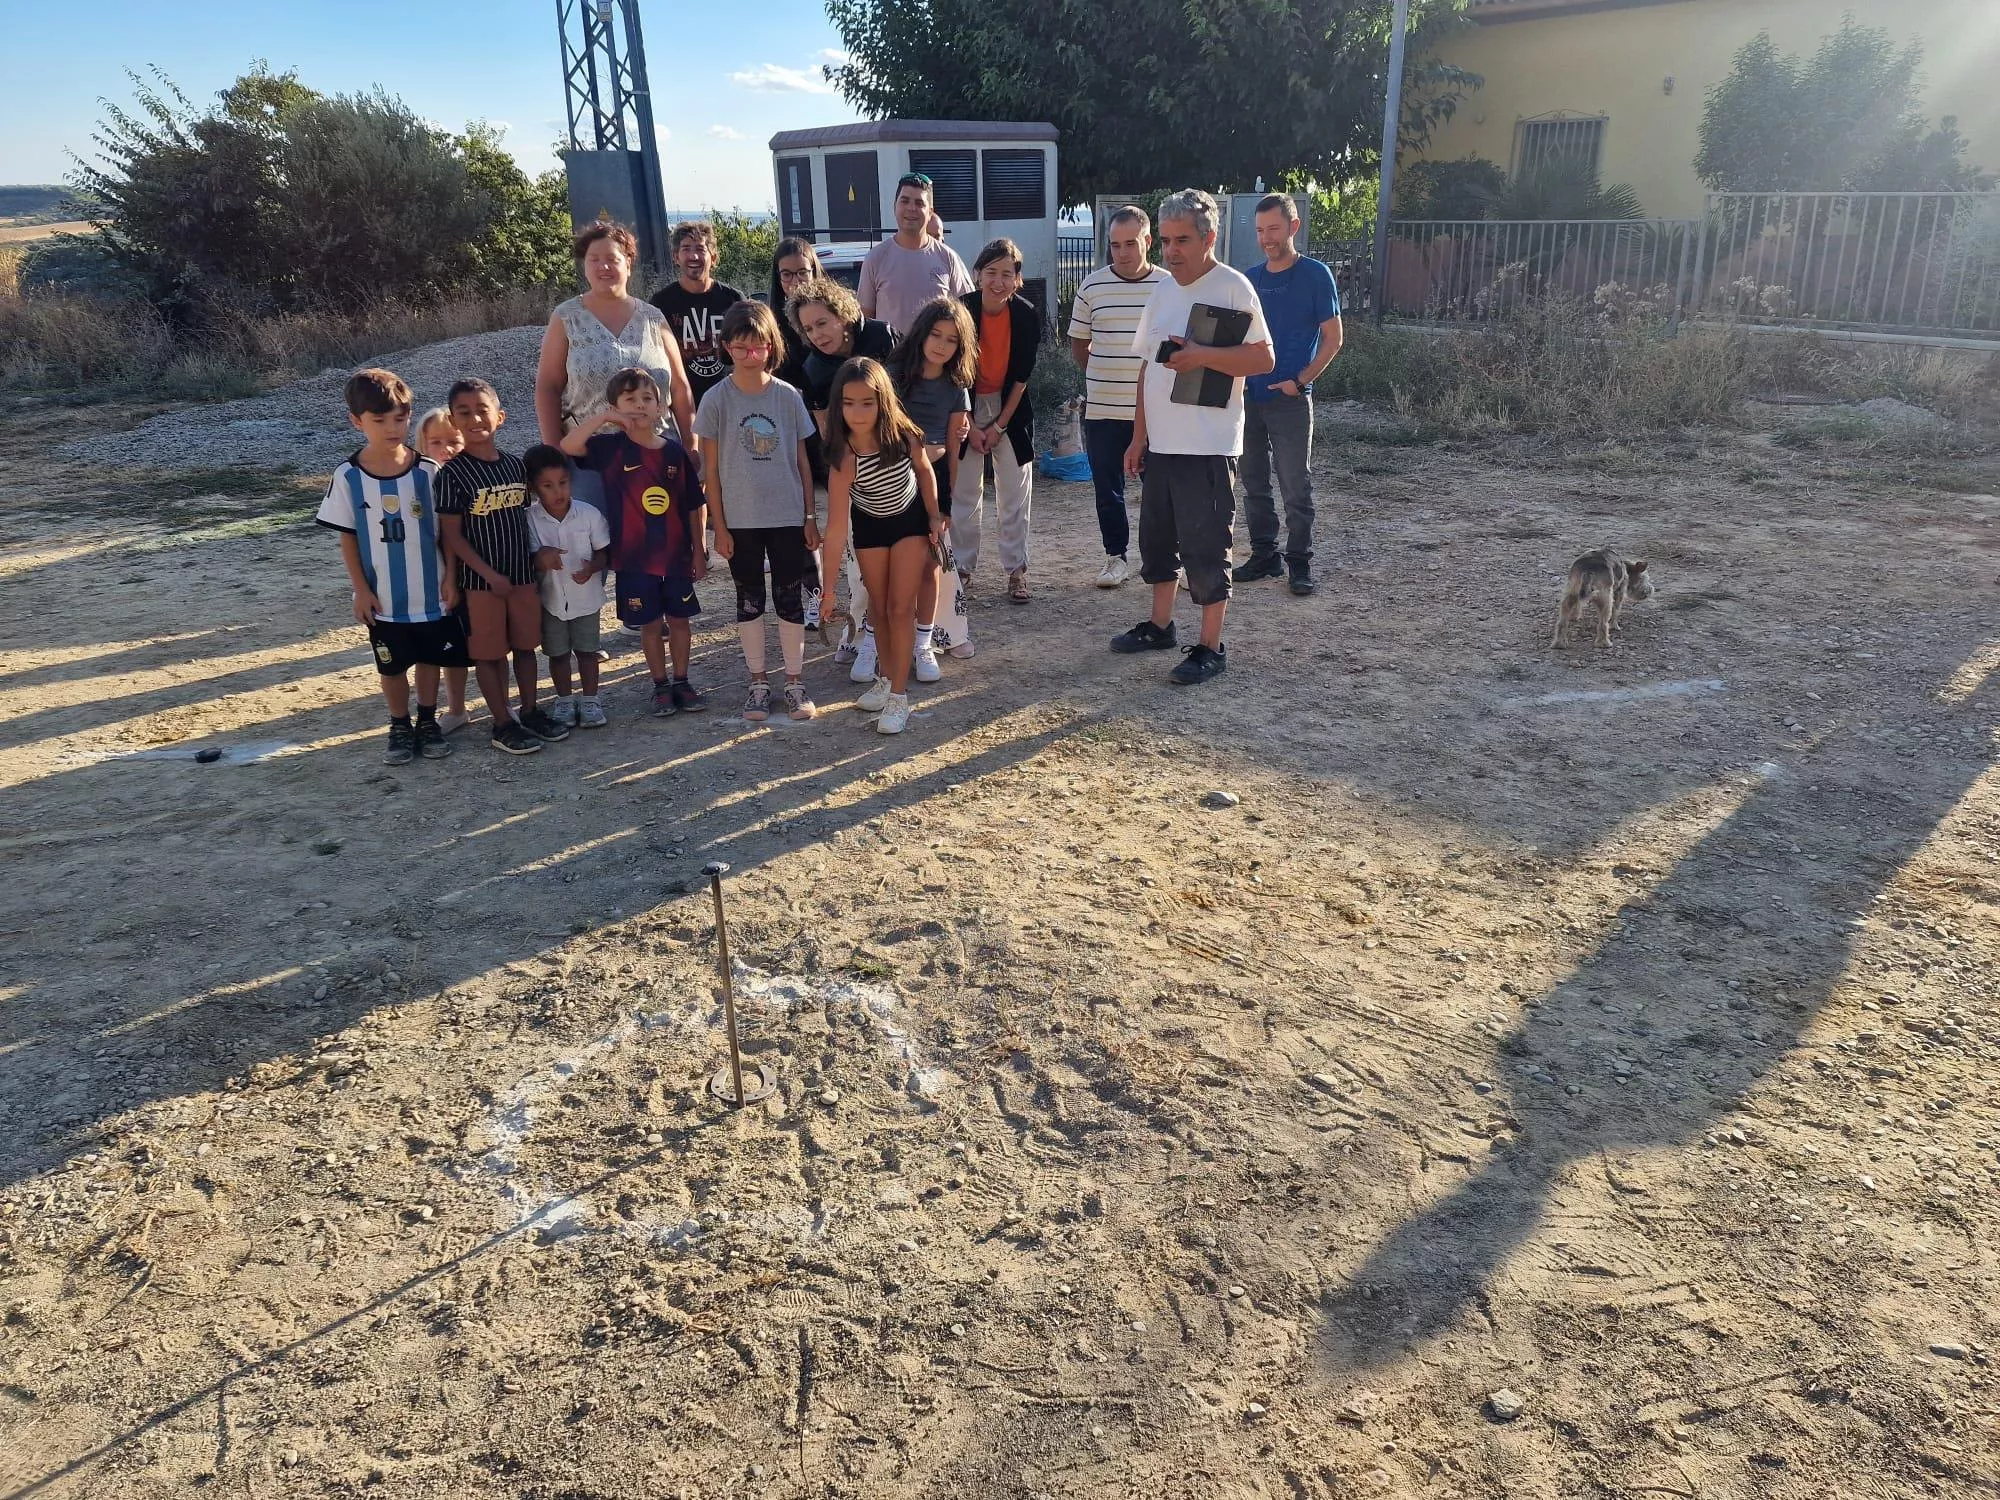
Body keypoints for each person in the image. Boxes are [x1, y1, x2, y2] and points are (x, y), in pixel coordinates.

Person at [1113, 189, 1273, 686]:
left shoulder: (1234, 287)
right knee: (1157, 542)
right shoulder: (1162, 288)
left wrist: (1202, 354)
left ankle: (1210, 646)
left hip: (1208, 444)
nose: (1171, 251)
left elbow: (1263, 359)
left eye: (1181, 240)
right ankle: (1160, 626)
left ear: (1210, 238)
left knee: (1206, 547)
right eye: (1164, 240)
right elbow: (1147, 369)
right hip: (1161, 444)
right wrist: (1138, 436)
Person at [316, 368, 465, 765]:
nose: (392, 428)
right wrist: (361, 589)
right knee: (393, 665)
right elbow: (346, 535)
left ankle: (428, 721)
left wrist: (451, 576)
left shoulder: (428, 473)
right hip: (383, 598)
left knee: (431, 659)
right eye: (379, 420)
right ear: (356, 421)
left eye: (399, 418)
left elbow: (447, 534)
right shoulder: (348, 476)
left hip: (430, 591)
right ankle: (399, 724)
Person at [695, 301, 820, 724]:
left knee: (789, 597)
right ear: (726, 346)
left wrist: (809, 516)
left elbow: (803, 461)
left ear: (771, 346)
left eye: (758, 347)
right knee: (749, 599)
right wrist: (718, 527)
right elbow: (710, 469)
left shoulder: (788, 397)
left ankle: (795, 681)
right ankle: (758, 682)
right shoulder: (715, 399)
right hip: (740, 522)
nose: (750, 355)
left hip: (786, 516)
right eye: (740, 347)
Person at [559, 368, 707, 717]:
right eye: (629, 399)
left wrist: (699, 552)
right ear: (615, 406)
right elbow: (568, 445)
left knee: (681, 622)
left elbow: (692, 506)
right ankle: (660, 686)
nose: (639, 406)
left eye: (646, 399)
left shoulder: (674, 453)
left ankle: (682, 682)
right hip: (632, 560)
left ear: (661, 407)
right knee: (650, 625)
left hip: (675, 557)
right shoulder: (609, 448)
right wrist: (604, 419)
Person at [438, 378, 570, 753]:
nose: (475, 418)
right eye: (464, 413)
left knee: (526, 647)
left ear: (500, 417)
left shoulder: (515, 468)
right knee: (490, 654)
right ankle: (501, 722)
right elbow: (452, 536)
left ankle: (530, 711)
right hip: (482, 584)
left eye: (483, 410)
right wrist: (485, 574)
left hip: (523, 576)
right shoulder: (452, 475)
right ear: (453, 420)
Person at [819, 358, 943, 736]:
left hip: (909, 522)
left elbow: (924, 470)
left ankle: (899, 699)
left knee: (900, 607)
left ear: (883, 402)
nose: (858, 412)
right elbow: (837, 526)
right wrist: (827, 590)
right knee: (880, 609)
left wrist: (935, 516)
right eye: (849, 402)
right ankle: (887, 680)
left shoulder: (904, 435)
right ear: (838, 405)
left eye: (867, 403)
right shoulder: (842, 456)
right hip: (870, 526)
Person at [788, 276, 899, 682]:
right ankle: (861, 630)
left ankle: (916, 636)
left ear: (843, 316)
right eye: (808, 328)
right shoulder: (814, 369)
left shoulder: (882, 337)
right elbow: (827, 433)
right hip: (854, 466)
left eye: (823, 323)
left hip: (899, 456)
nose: (817, 335)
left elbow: (907, 393)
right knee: (859, 554)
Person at [1232, 192, 1343, 596]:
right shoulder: (1250, 279)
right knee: (1254, 483)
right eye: (1261, 231)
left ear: (1293, 227)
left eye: (1274, 229)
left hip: (1291, 399)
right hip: (1249, 398)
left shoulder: (1316, 275)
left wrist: (1299, 381)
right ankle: (1264, 555)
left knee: (1296, 485)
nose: (1267, 238)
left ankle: (1299, 563)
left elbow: (1333, 339)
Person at [535, 221, 695, 483]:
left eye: (612, 258)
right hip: (591, 459)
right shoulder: (566, 318)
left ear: (628, 264)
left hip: (657, 456)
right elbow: (547, 387)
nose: (603, 266)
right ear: (585, 266)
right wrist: (554, 453)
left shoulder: (653, 318)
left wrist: (691, 446)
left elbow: (679, 387)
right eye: (594, 259)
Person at [1068, 205, 1167, 589]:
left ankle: (1165, 562)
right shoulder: (1092, 286)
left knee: (1161, 490)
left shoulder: (1169, 285)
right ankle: (1116, 558)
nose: (1122, 252)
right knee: (1108, 488)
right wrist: (1104, 376)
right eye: (1114, 245)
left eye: (1130, 244)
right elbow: (1080, 346)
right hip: (1104, 410)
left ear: (1148, 241)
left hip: (1157, 412)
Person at [888, 296, 977, 670]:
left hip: (936, 481)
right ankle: (877, 641)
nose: (941, 344)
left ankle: (924, 643)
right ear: (921, 334)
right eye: (936, 335)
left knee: (930, 563)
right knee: (887, 565)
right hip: (893, 477)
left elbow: (956, 445)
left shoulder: (957, 386)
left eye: (952, 339)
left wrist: (949, 501)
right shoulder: (893, 374)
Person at [954, 238, 1039, 603]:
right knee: (964, 490)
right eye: (991, 272)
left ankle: (1016, 570)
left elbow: (1021, 378)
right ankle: (961, 568)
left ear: (1017, 279)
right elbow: (952, 372)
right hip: (964, 404)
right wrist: (971, 425)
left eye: (1007, 274)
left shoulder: (1025, 314)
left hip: (1011, 407)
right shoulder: (959, 311)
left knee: (1014, 492)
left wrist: (999, 426)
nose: (998, 281)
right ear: (977, 275)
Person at [524, 443, 611, 730]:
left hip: (586, 598)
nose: (558, 491)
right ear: (535, 489)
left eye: (563, 483)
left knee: (588, 651)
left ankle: (590, 700)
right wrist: (541, 558)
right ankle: (563, 699)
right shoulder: (530, 519)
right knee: (557, 654)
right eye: (548, 486)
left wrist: (593, 568)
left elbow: (603, 552)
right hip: (550, 601)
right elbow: (529, 558)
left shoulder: (589, 515)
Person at [858, 172, 974, 337]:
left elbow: (966, 317)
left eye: (919, 203)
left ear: (930, 212)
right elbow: (865, 320)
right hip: (890, 360)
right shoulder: (875, 258)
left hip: (936, 360)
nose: (911, 208)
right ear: (895, 206)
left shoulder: (948, 258)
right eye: (904, 201)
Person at [414, 406, 472, 732]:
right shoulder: (420, 482)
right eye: (436, 442)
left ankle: (500, 704)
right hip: (438, 578)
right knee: (445, 647)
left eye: (453, 441)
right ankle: (456, 708)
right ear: (422, 444)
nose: (446, 449)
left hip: (477, 573)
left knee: (481, 645)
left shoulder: (474, 475)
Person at [652, 220, 743, 410]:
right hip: (682, 408)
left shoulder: (733, 300)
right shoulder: (661, 304)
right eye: (686, 249)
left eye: (700, 249)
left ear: (714, 258)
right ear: (676, 257)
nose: (693, 255)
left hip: (731, 404)